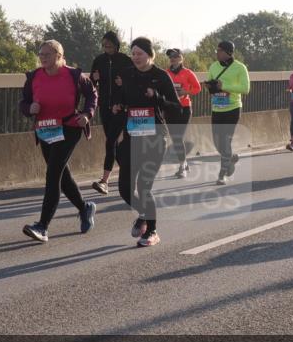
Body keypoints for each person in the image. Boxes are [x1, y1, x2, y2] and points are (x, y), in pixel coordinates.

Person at [19, 41, 98, 243]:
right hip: (45, 129)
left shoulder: (74, 75)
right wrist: (30, 109)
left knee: (53, 173)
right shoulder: (34, 77)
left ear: (59, 55)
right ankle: (84, 207)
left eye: (47, 54)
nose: (42, 57)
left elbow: (92, 94)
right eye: (40, 54)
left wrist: (87, 114)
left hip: (69, 127)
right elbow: (24, 103)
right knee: (62, 176)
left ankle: (43, 226)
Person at [111, 37, 182, 246]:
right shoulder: (127, 74)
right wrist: (118, 105)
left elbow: (176, 107)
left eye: (139, 54)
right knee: (124, 187)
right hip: (132, 136)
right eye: (133, 53)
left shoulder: (160, 77)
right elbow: (123, 98)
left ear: (150, 55)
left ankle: (152, 231)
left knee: (144, 186)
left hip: (155, 138)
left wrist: (157, 97)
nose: (135, 57)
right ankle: (144, 212)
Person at [89, 32, 133, 195]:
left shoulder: (125, 60)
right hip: (104, 107)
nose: (106, 48)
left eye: (109, 45)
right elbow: (91, 84)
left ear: (116, 45)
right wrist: (93, 78)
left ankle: (104, 181)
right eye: (104, 45)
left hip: (120, 107)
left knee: (110, 141)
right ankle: (129, 174)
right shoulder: (99, 60)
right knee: (113, 144)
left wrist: (124, 82)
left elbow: (135, 82)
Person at [206, 40, 251, 185]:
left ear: (228, 52)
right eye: (216, 50)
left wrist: (224, 85)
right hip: (217, 108)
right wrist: (211, 87)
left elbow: (245, 89)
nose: (216, 53)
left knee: (226, 141)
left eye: (219, 50)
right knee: (217, 142)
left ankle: (222, 174)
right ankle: (231, 157)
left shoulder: (240, 67)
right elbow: (211, 85)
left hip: (233, 108)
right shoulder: (213, 66)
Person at [165, 49, 201, 177]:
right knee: (175, 138)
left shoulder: (188, 73)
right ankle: (184, 163)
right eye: (170, 57)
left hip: (184, 108)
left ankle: (182, 167)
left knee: (178, 137)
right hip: (169, 109)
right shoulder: (166, 73)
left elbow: (198, 88)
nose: (172, 58)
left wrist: (185, 92)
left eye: (175, 56)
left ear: (181, 58)